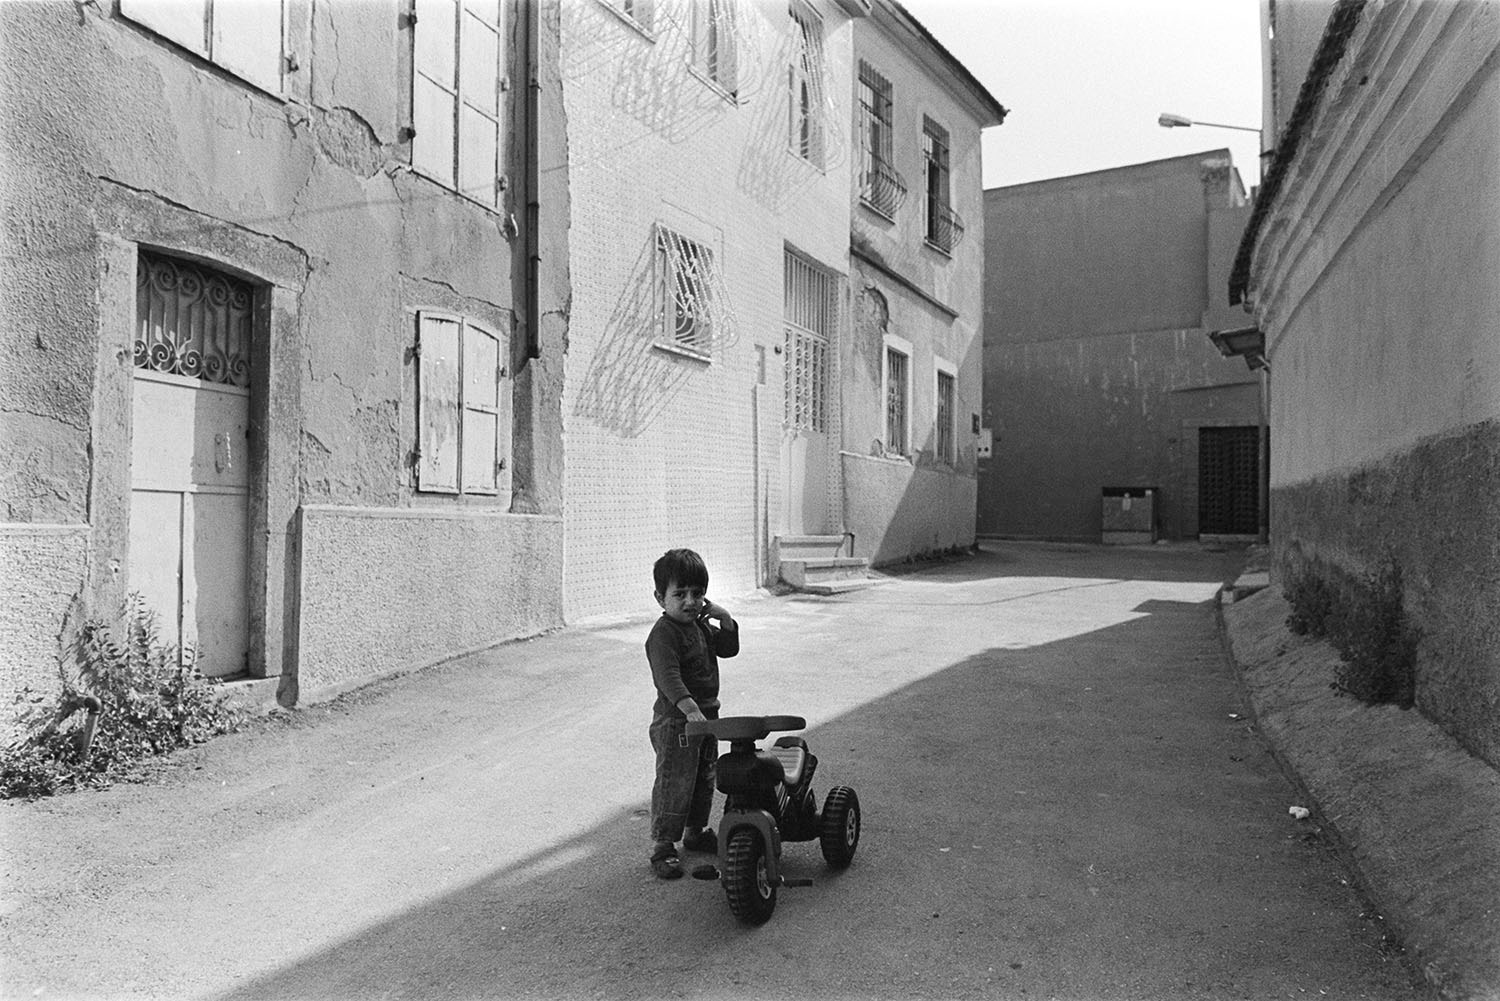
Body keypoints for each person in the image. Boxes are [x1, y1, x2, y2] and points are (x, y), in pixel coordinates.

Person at [645, 548, 739, 879]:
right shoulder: (664, 634)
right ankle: (663, 844)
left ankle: (695, 831)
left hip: (706, 720)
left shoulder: (699, 627)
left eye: (698, 594)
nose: (690, 602)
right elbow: (667, 676)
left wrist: (724, 618)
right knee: (676, 781)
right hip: (678, 723)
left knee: (704, 778)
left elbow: (728, 649)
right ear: (660, 598)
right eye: (680, 594)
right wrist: (689, 709)